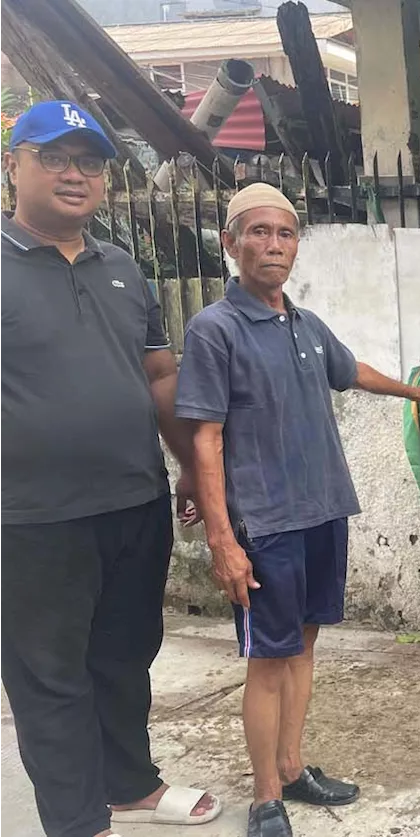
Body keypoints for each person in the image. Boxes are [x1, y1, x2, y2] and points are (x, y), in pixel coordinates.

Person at [175, 182, 420, 837]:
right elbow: (205, 438)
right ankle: (266, 795)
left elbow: (349, 369)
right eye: (259, 231)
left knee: (302, 649)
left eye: (285, 233)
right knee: (268, 660)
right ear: (230, 242)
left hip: (323, 510)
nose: (273, 244)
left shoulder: (301, 323)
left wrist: (416, 390)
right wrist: (222, 538)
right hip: (264, 524)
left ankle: (294, 767)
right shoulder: (215, 330)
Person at [0, 101, 223, 836]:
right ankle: (76, 820)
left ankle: (128, 782)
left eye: (89, 162)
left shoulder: (123, 267)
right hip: (31, 518)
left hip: (134, 502)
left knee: (126, 656)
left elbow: (160, 374)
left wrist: (190, 462)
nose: (74, 174)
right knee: (50, 678)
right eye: (54, 157)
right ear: (13, 166)